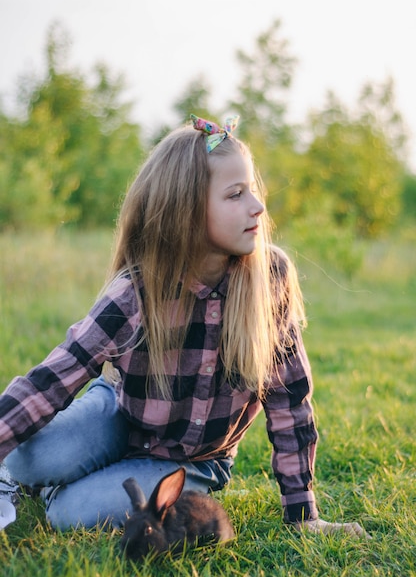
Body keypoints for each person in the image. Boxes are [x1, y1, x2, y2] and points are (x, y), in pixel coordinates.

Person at [0, 114, 368, 537]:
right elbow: (52, 380)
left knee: (70, 513)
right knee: (29, 458)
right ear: (186, 211)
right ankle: (38, 477)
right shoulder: (137, 290)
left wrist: (304, 516)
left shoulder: (268, 280)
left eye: (252, 189)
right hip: (120, 418)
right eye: (235, 195)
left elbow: (290, 402)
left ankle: (51, 492)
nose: (258, 206)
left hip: (195, 460)